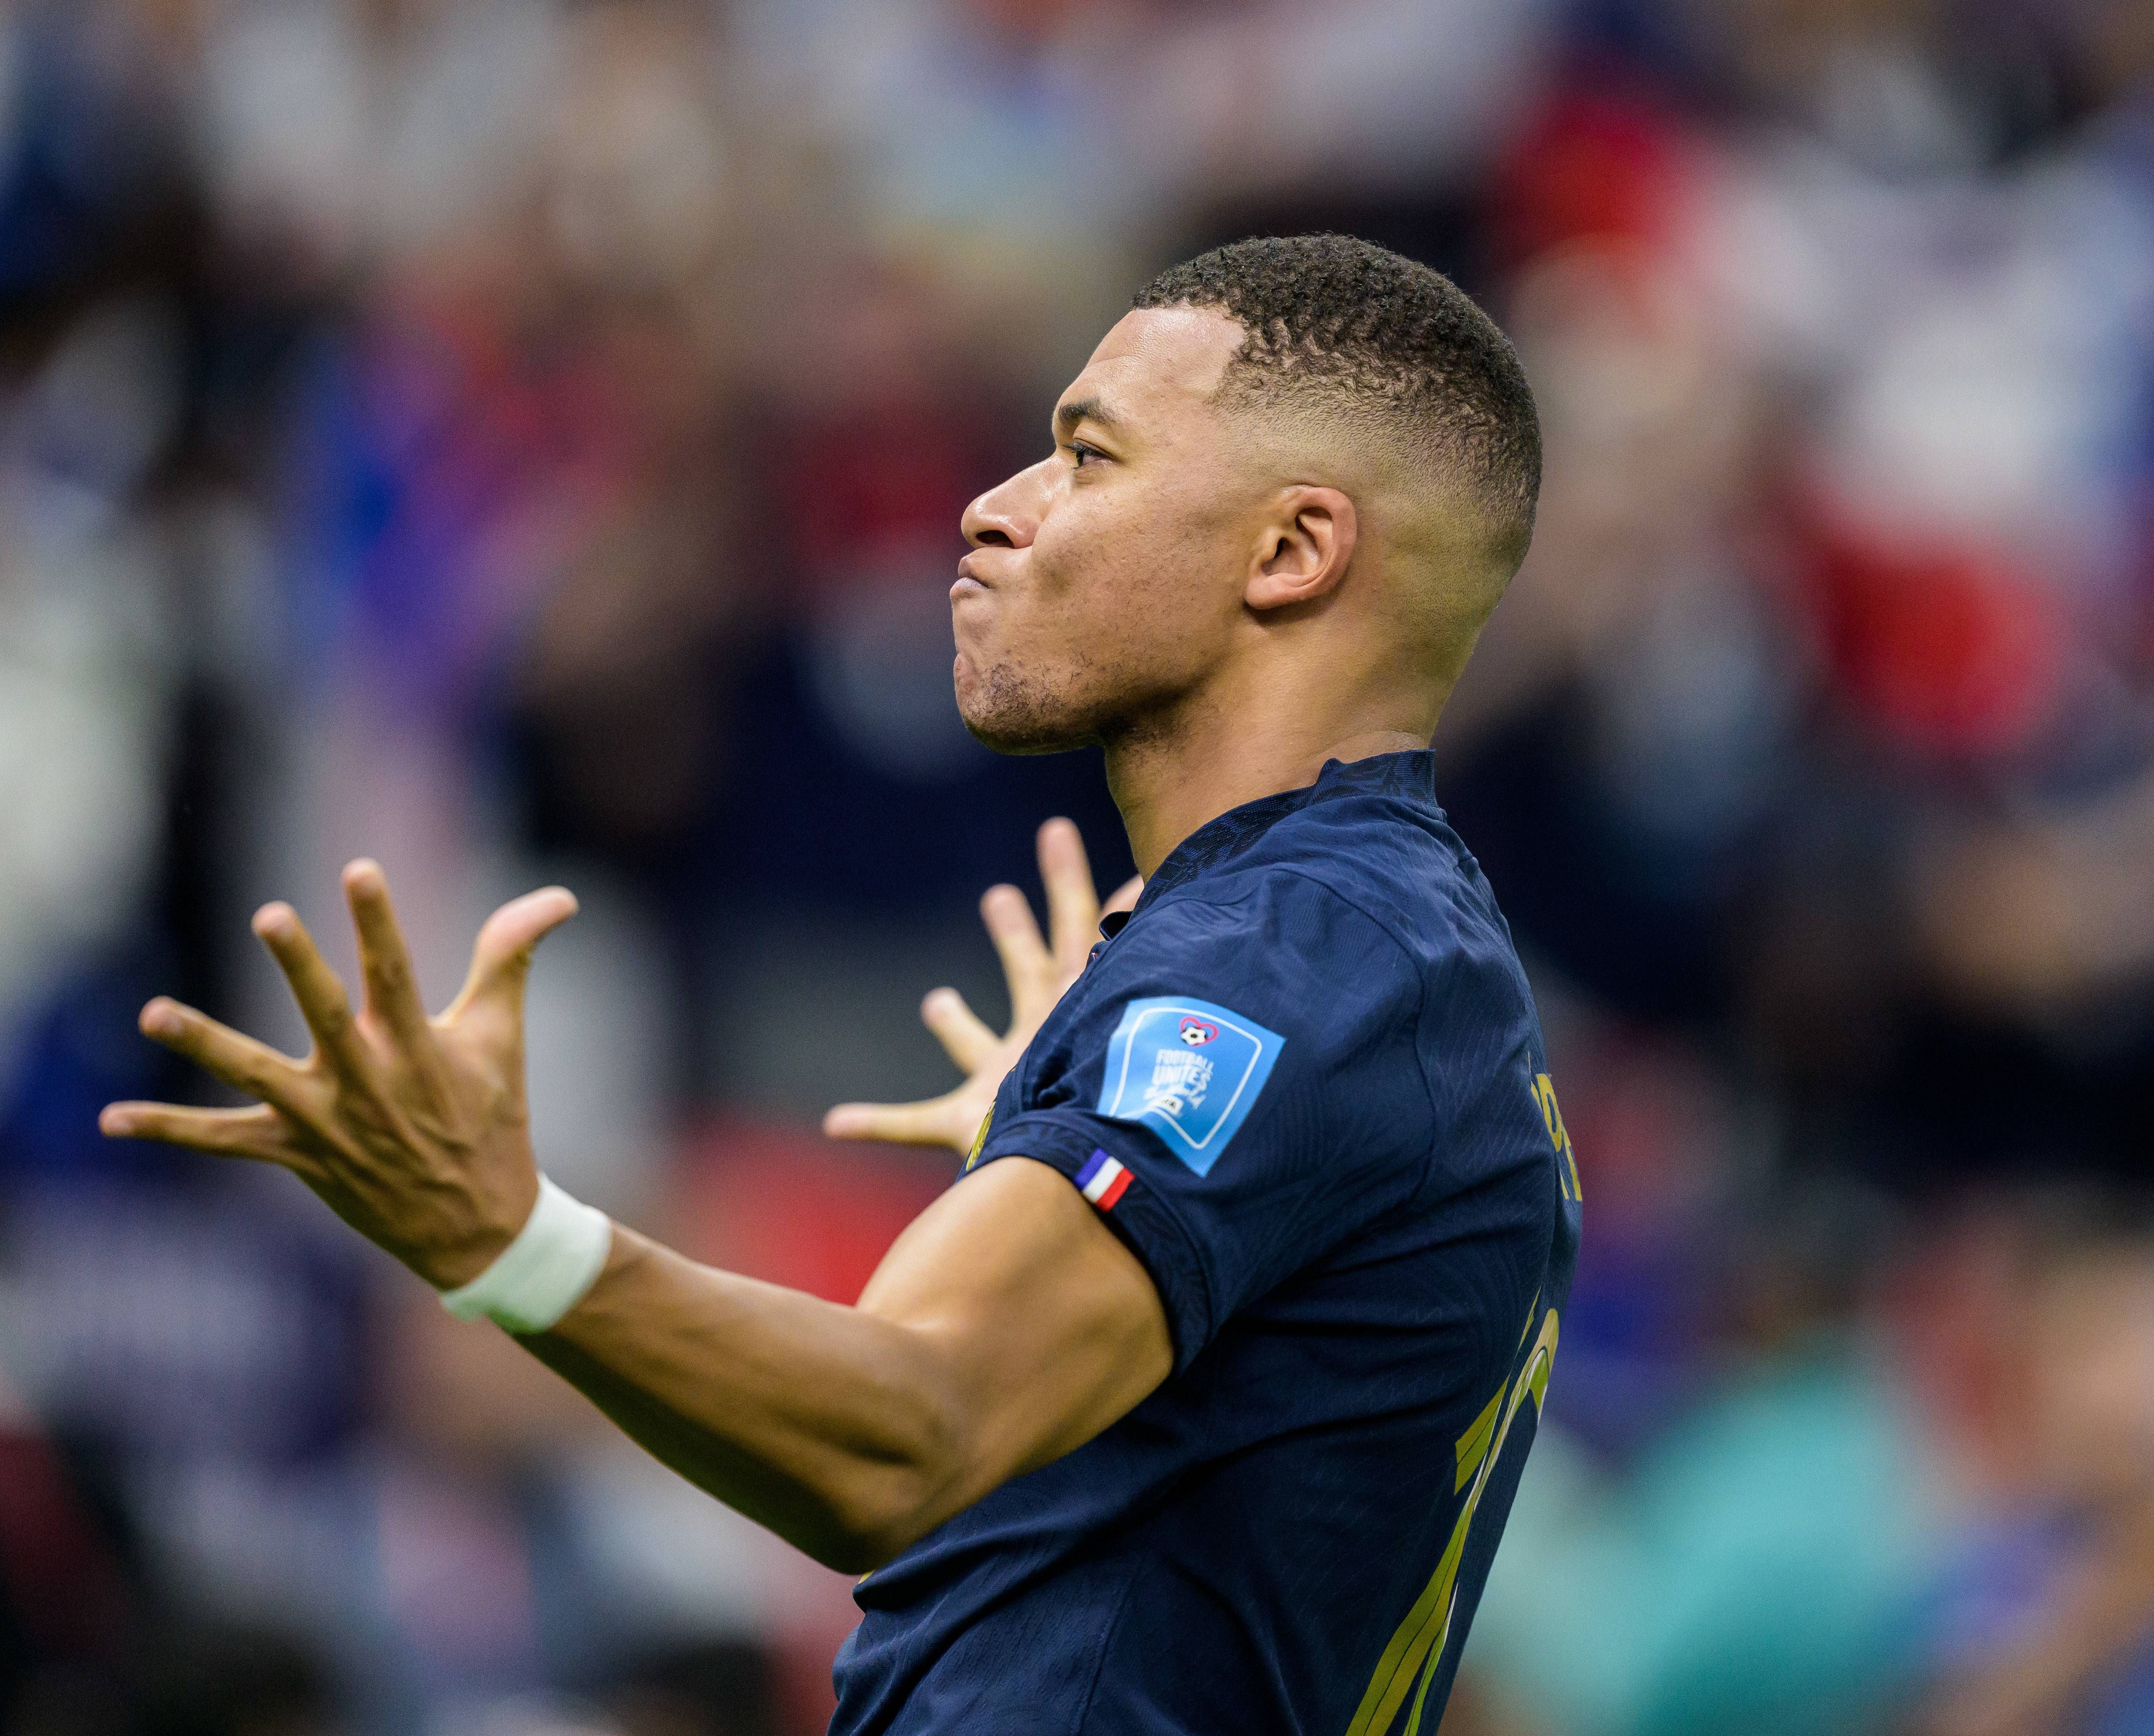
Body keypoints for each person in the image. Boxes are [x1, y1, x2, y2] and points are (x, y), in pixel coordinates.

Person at [102, 234, 1579, 1736]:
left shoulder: (1301, 955)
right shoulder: (1358, 952)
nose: (992, 507)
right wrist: (1053, 1151)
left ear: (1290, 552)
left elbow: (905, 1433)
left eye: (1088, 455)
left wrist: (506, 1241)